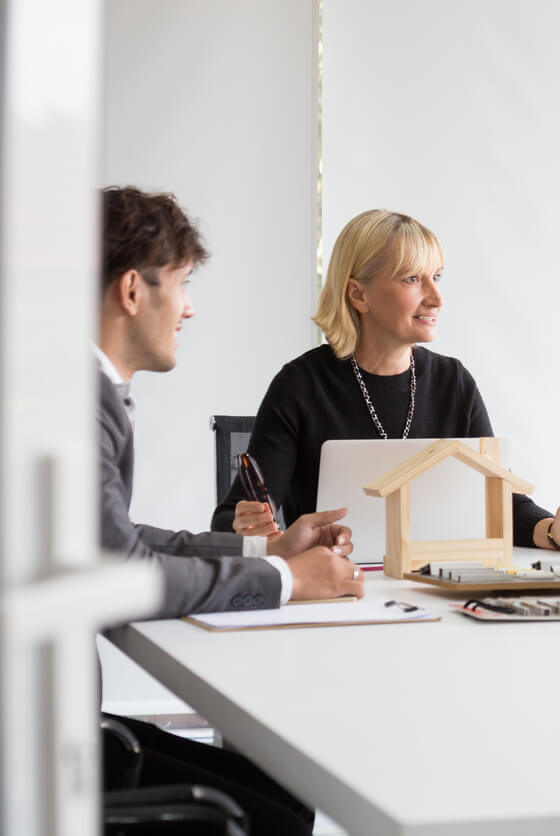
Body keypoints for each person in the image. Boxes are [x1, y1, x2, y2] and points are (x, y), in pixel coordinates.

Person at [97, 186, 364, 835]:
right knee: (278, 812)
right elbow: (117, 569)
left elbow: (116, 538)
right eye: (183, 284)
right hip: (44, 751)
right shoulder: (75, 406)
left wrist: (265, 552)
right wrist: (288, 581)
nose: (189, 308)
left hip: (59, 726)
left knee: (285, 788)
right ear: (133, 291)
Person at [210, 209, 560, 551]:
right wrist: (247, 527)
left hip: (437, 591)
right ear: (358, 295)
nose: (436, 297)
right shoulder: (301, 385)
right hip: (335, 590)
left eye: (437, 276)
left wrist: (555, 531)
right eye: (413, 279)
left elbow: (499, 505)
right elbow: (232, 516)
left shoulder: (454, 382)